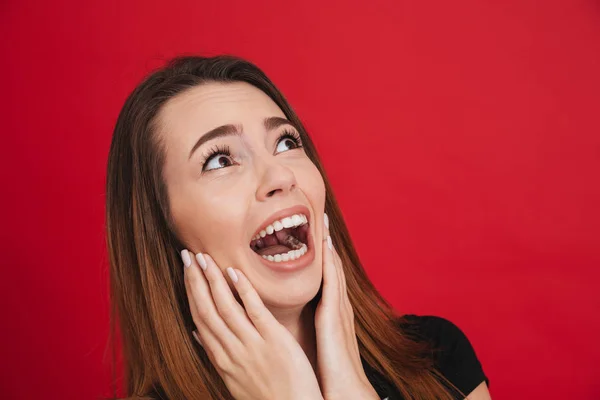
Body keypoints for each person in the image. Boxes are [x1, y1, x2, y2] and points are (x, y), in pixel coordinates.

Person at [105, 55, 491, 400]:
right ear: (162, 227)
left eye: (285, 141)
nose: (280, 174)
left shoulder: (437, 359)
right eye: (219, 160)